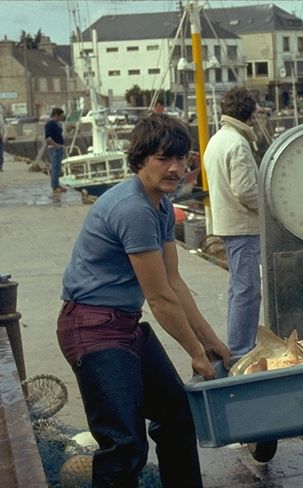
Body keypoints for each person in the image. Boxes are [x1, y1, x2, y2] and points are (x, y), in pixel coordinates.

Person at [57, 113, 230, 487]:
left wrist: (210, 340)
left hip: (124, 325)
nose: (174, 168)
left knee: (177, 413)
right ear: (140, 160)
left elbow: (174, 282)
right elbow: (160, 299)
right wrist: (195, 353)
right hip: (92, 329)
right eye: (163, 158)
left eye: (181, 159)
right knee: (124, 444)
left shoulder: (161, 204)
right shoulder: (132, 208)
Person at [202, 86, 261, 357]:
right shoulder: (238, 143)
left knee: (238, 287)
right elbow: (246, 191)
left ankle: (238, 345)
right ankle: (241, 349)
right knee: (247, 290)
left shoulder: (216, 140)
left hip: (226, 223)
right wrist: (271, 207)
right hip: (243, 226)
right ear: (249, 113)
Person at [44, 107, 66, 192]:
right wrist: (56, 145)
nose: (62, 117)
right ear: (56, 115)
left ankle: (57, 184)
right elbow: (48, 138)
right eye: (61, 115)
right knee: (55, 167)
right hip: (54, 149)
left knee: (58, 168)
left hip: (58, 148)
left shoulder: (57, 124)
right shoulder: (50, 124)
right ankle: (54, 186)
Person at [0, 107, 6, 172]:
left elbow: (4, 129)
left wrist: (4, 136)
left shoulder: (1, 119)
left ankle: (0, 167)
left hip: (0, 139)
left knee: (0, 154)